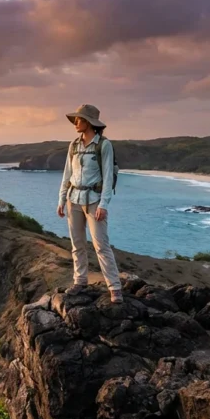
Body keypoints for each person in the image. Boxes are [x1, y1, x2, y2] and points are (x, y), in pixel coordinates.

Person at [56, 104, 123, 304]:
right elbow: (67, 174)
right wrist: (61, 199)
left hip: (94, 201)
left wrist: (104, 204)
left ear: (89, 122)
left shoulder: (104, 145)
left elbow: (109, 175)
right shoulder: (73, 145)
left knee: (101, 245)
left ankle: (115, 287)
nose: (76, 123)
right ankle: (80, 281)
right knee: (77, 244)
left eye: (80, 119)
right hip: (73, 200)